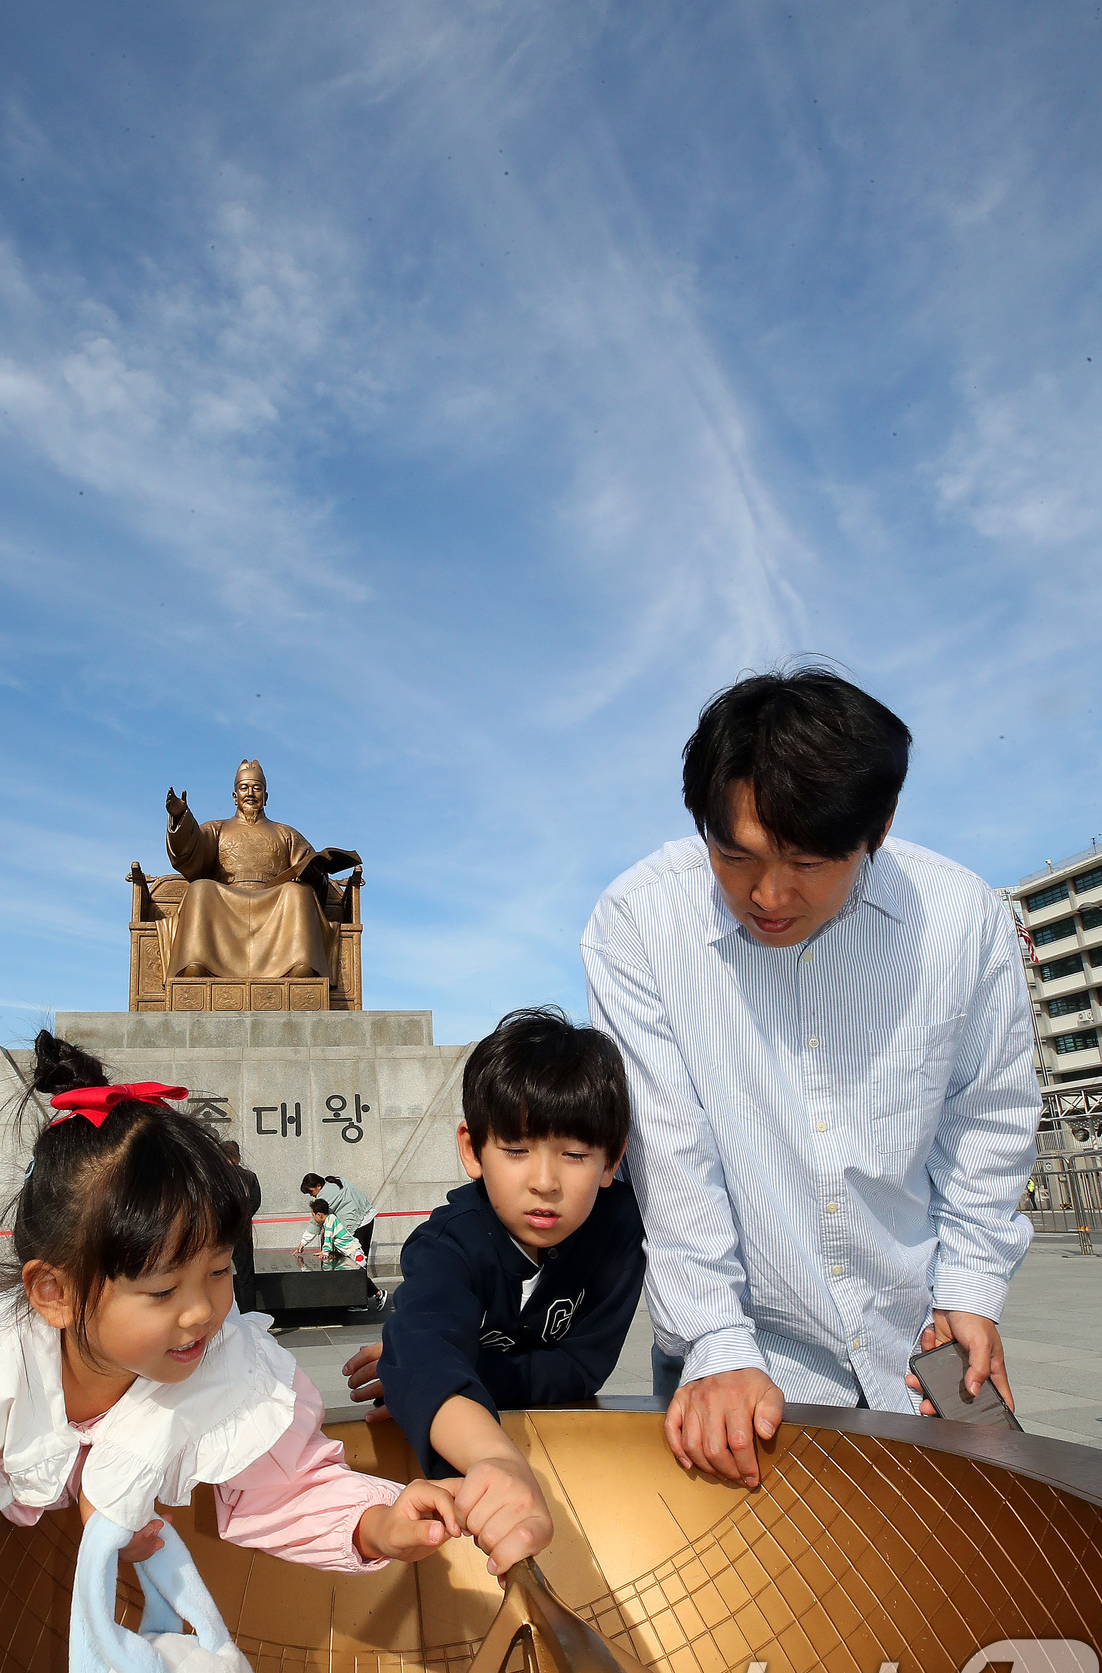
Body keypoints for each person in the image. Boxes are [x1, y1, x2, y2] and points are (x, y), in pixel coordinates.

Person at [581, 668, 1041, 1492]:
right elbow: (670, 1154)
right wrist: (716, 1340)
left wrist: (971, 1289)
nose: (767, 894)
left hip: (924, 1347)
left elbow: (990, 1118)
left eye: (807, 861)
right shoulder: (638, 925)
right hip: (746, 1364)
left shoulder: (962, 921)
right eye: (735, 855)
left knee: (959, 1589)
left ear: (880, 828)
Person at [0, 1033, 462, 1580]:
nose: (201, 1313)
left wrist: (376, 1525)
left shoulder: (232, 1368)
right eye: (162, 1291)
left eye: (218, 1272)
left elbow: (287, 1486)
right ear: (54, 1292)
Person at [343, 1008, 645, 1577]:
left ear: (613, 1160)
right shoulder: (447, 1245)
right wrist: (489, 1450)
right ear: (471, 1150)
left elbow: (581, 1367)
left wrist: (449, 1369)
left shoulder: (619, 1235)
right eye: (516, 1150)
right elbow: (426, 1342)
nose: (545, 1181)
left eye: (575, 1154)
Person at [162, 761, 360, 983]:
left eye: (256, 788)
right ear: (235, 796)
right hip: (227, 898)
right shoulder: (217, 828)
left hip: (274, 899)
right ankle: (197, 963)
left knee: (298, 893)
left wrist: (316, 874)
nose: (250, 793)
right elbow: (190, 853)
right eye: (244, 788)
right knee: (199, 888)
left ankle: (299, 965)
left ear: (266, 796)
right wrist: (181, 817)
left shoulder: (285, 833)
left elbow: (308, 869)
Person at [299, 1171, 387, 1311]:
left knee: (354, 1266)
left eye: (311, 1192)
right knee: (355, 1264)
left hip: (360, 1225)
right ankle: (361, 1299)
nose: (312, 1195)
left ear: (318, 1185)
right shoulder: (334, 1181)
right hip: (365, 1217)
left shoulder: (325, 1195)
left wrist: (303, 1242)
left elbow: (316, 1221)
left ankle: (374, 1295)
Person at [219, 1137, 261, 1315]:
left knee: (217, 1274)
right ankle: (249, 1316)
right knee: (246, 1276)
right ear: (238, 1155)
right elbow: (256, 1202)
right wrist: (243, 1217)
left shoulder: (216, 1177)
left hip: (220, 1232)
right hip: (243, 1232)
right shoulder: (249, 1176)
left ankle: (223, 1315)